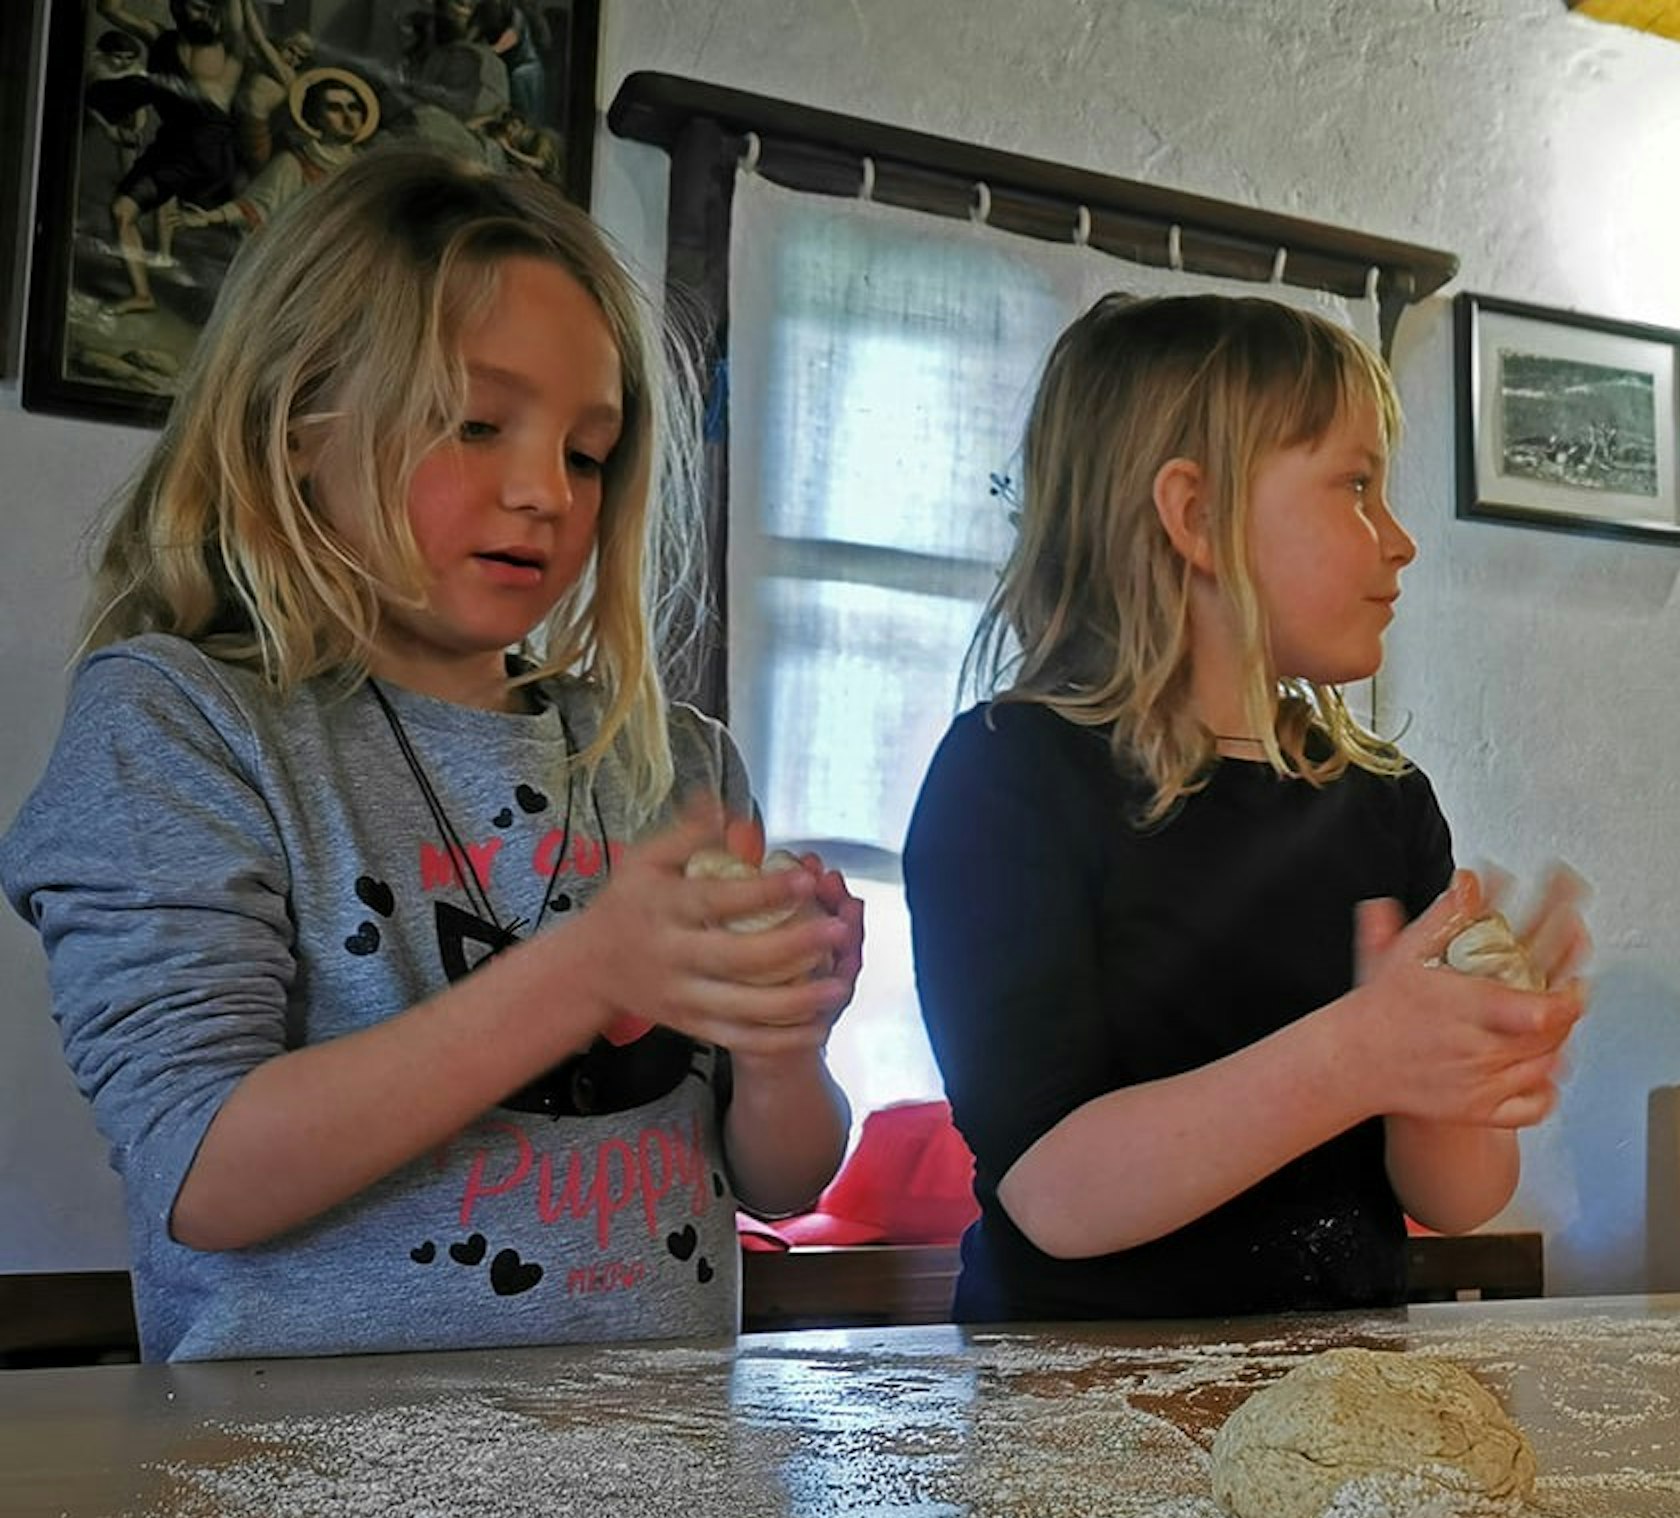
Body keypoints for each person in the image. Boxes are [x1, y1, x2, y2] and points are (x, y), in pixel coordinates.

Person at [0, 149, 861, 1361]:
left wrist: (784, 1052)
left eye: (585, 451)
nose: (544, 494)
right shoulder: (180, 725)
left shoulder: (671, 763)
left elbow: (778, 1181)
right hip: (303, 1498)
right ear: (298, 428)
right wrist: (586, 972)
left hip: (652, 1466)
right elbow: (203, 1172)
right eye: (473, 423)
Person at [904, 292, 1585, 1324]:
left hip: (1340, 1410)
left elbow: (1454, 1198)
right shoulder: (1006, 780)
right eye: (1354, 487)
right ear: (1195, 518)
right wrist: (1358, 1051)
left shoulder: (1384, 807)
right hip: (1079, 1415)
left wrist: (1474, 1063)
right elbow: (1054, 1191)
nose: (1398, 540)